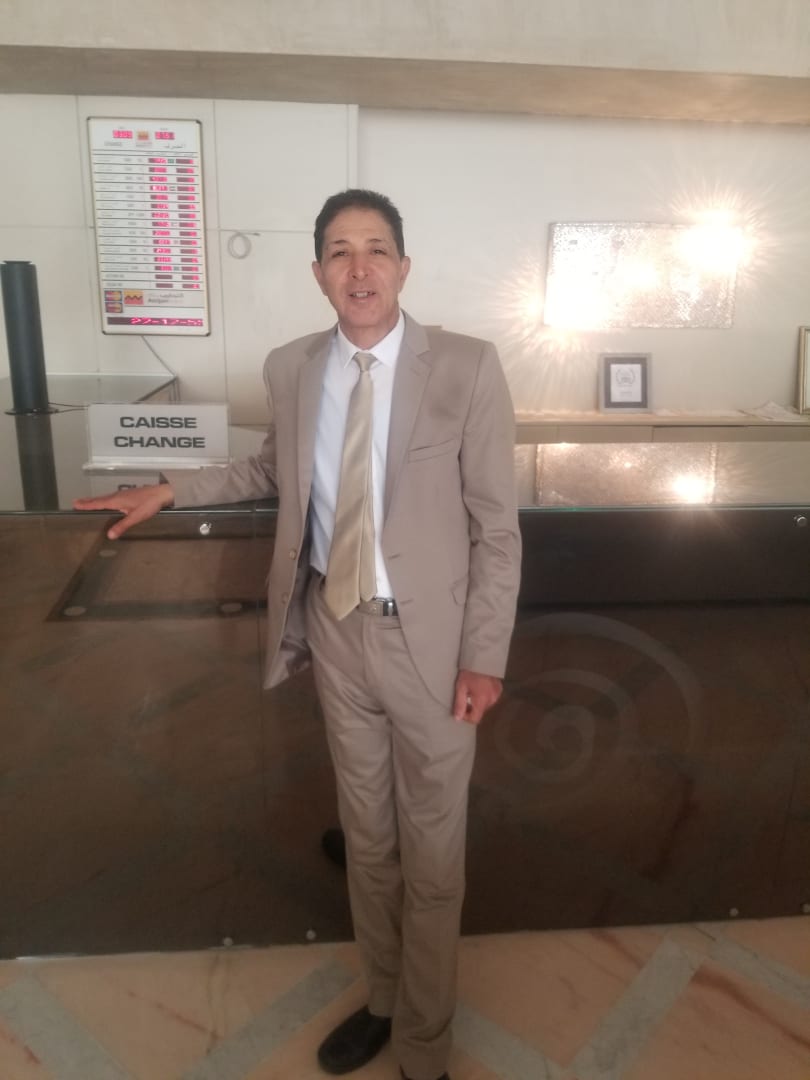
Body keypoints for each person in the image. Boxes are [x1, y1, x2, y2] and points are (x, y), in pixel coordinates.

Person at [74, 189, 521, 1080]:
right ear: (318, 272)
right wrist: (168, 487)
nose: (360, 268)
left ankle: (424, 1046)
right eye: (340, 251)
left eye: (377, 248)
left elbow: (497, 527)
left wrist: (484, 656)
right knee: (368, 838)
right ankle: (384, 1000)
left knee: (434, 858)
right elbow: (267, 467)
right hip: (336, 632)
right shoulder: (293, 366)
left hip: (434, 650)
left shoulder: (467, 366)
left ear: (404, 266)